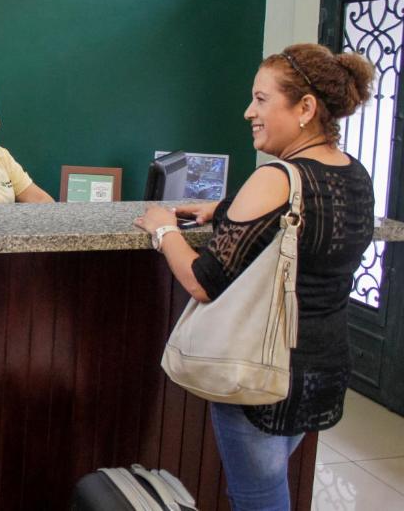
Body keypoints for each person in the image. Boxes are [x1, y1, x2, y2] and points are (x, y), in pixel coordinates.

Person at [135, 43, 375, 511]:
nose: (249, 112)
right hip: (322, 367)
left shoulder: (275, 179)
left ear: (305, 108)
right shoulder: (354, 174)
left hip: (263, 378)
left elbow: (203, 281)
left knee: (259, 501)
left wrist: (163, 228)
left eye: (262, 99)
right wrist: (226, 209)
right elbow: (309, 226)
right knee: (269, 491)